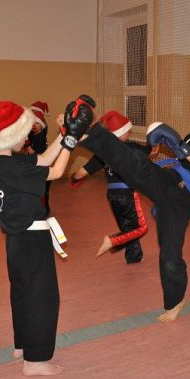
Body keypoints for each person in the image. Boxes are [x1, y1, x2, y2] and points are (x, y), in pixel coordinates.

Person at [75, 101, 190, 322]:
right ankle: (89, 132)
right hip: (168, 180)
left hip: (182, 201)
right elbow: (179, 155)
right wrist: (175, 143)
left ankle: (175, 301)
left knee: (170, 256)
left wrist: (179, 145)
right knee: (136, 164)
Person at [0, 96, 94, 377]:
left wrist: (64, 134)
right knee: (42, 297)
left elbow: (44, 158)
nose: (27, 136)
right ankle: (35, 361)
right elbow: (56, 171)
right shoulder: (14, 168)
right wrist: (72, 141)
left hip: (16, 242)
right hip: (32, 240)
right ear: (10, 135)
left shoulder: (0, 163)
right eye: (23, 132)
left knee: (23, 293)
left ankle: (23, 345)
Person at [71, 111, 149, 264]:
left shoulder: (102, 152)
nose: (130, 134)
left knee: (127, 226)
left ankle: (134, 256)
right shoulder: (130, 147)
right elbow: (150, 151)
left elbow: (81, 173)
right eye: (128, 131)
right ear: (121, 133)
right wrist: (155, 144)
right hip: (127, 193)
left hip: (112, 195)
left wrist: (74, 179)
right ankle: (113, 241)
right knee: (139, 227)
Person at [24, 101, 52, 217]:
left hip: (42, 168)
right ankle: (43, 209)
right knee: (40, 191)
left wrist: (26, 143)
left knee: (42, 191)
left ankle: (44, 210)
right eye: (33, 123)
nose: (34, 125)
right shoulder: (35, 135)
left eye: (37, 123)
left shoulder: (40, 137)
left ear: (42, 125)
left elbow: (31, 151)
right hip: (39, 167)